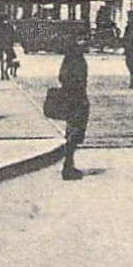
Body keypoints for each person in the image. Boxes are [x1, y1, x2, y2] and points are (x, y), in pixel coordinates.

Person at [56, 37, 91, 181]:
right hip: (76, 98)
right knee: (75, 131)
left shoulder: (72, 57)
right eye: (82, 40)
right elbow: (65, 77)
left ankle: (68, 164)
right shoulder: (74, 58)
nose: (86, 43)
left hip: (74, 97)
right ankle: (68, 166)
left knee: (73, 130)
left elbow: (62, 76)